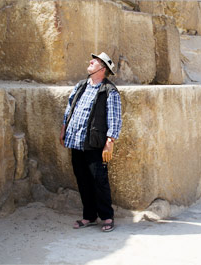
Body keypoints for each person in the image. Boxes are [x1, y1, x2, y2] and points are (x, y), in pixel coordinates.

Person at [59, 52, 122, 232]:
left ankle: (107, 216)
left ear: (103, 69)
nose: (91, 62)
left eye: (95, 62)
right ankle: (89, 216)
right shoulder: (81, 86)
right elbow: (70, 107)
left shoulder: (109, 91)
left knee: (99, 180)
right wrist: (64, 128)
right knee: (82, 179)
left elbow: (115, 117)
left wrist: (110, 141)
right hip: (76, 141)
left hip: (94, 143)